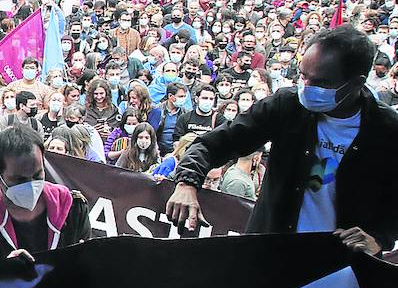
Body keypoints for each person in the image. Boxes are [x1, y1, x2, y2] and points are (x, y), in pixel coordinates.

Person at [167, 25, 398, 256]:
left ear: (356, 83)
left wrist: (380, 237)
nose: (306, 88)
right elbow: (213, 143)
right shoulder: (286, 105)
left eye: (321, 83)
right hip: (270, 254)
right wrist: (187, 183)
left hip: (341, 266)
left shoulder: (387, 129)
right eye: (304, 76)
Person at [0, 126, 91, 267]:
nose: (31, 185)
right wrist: (2, 273)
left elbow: (88, 272)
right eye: (19, 180)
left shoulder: (73, 208)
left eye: (37, 175)